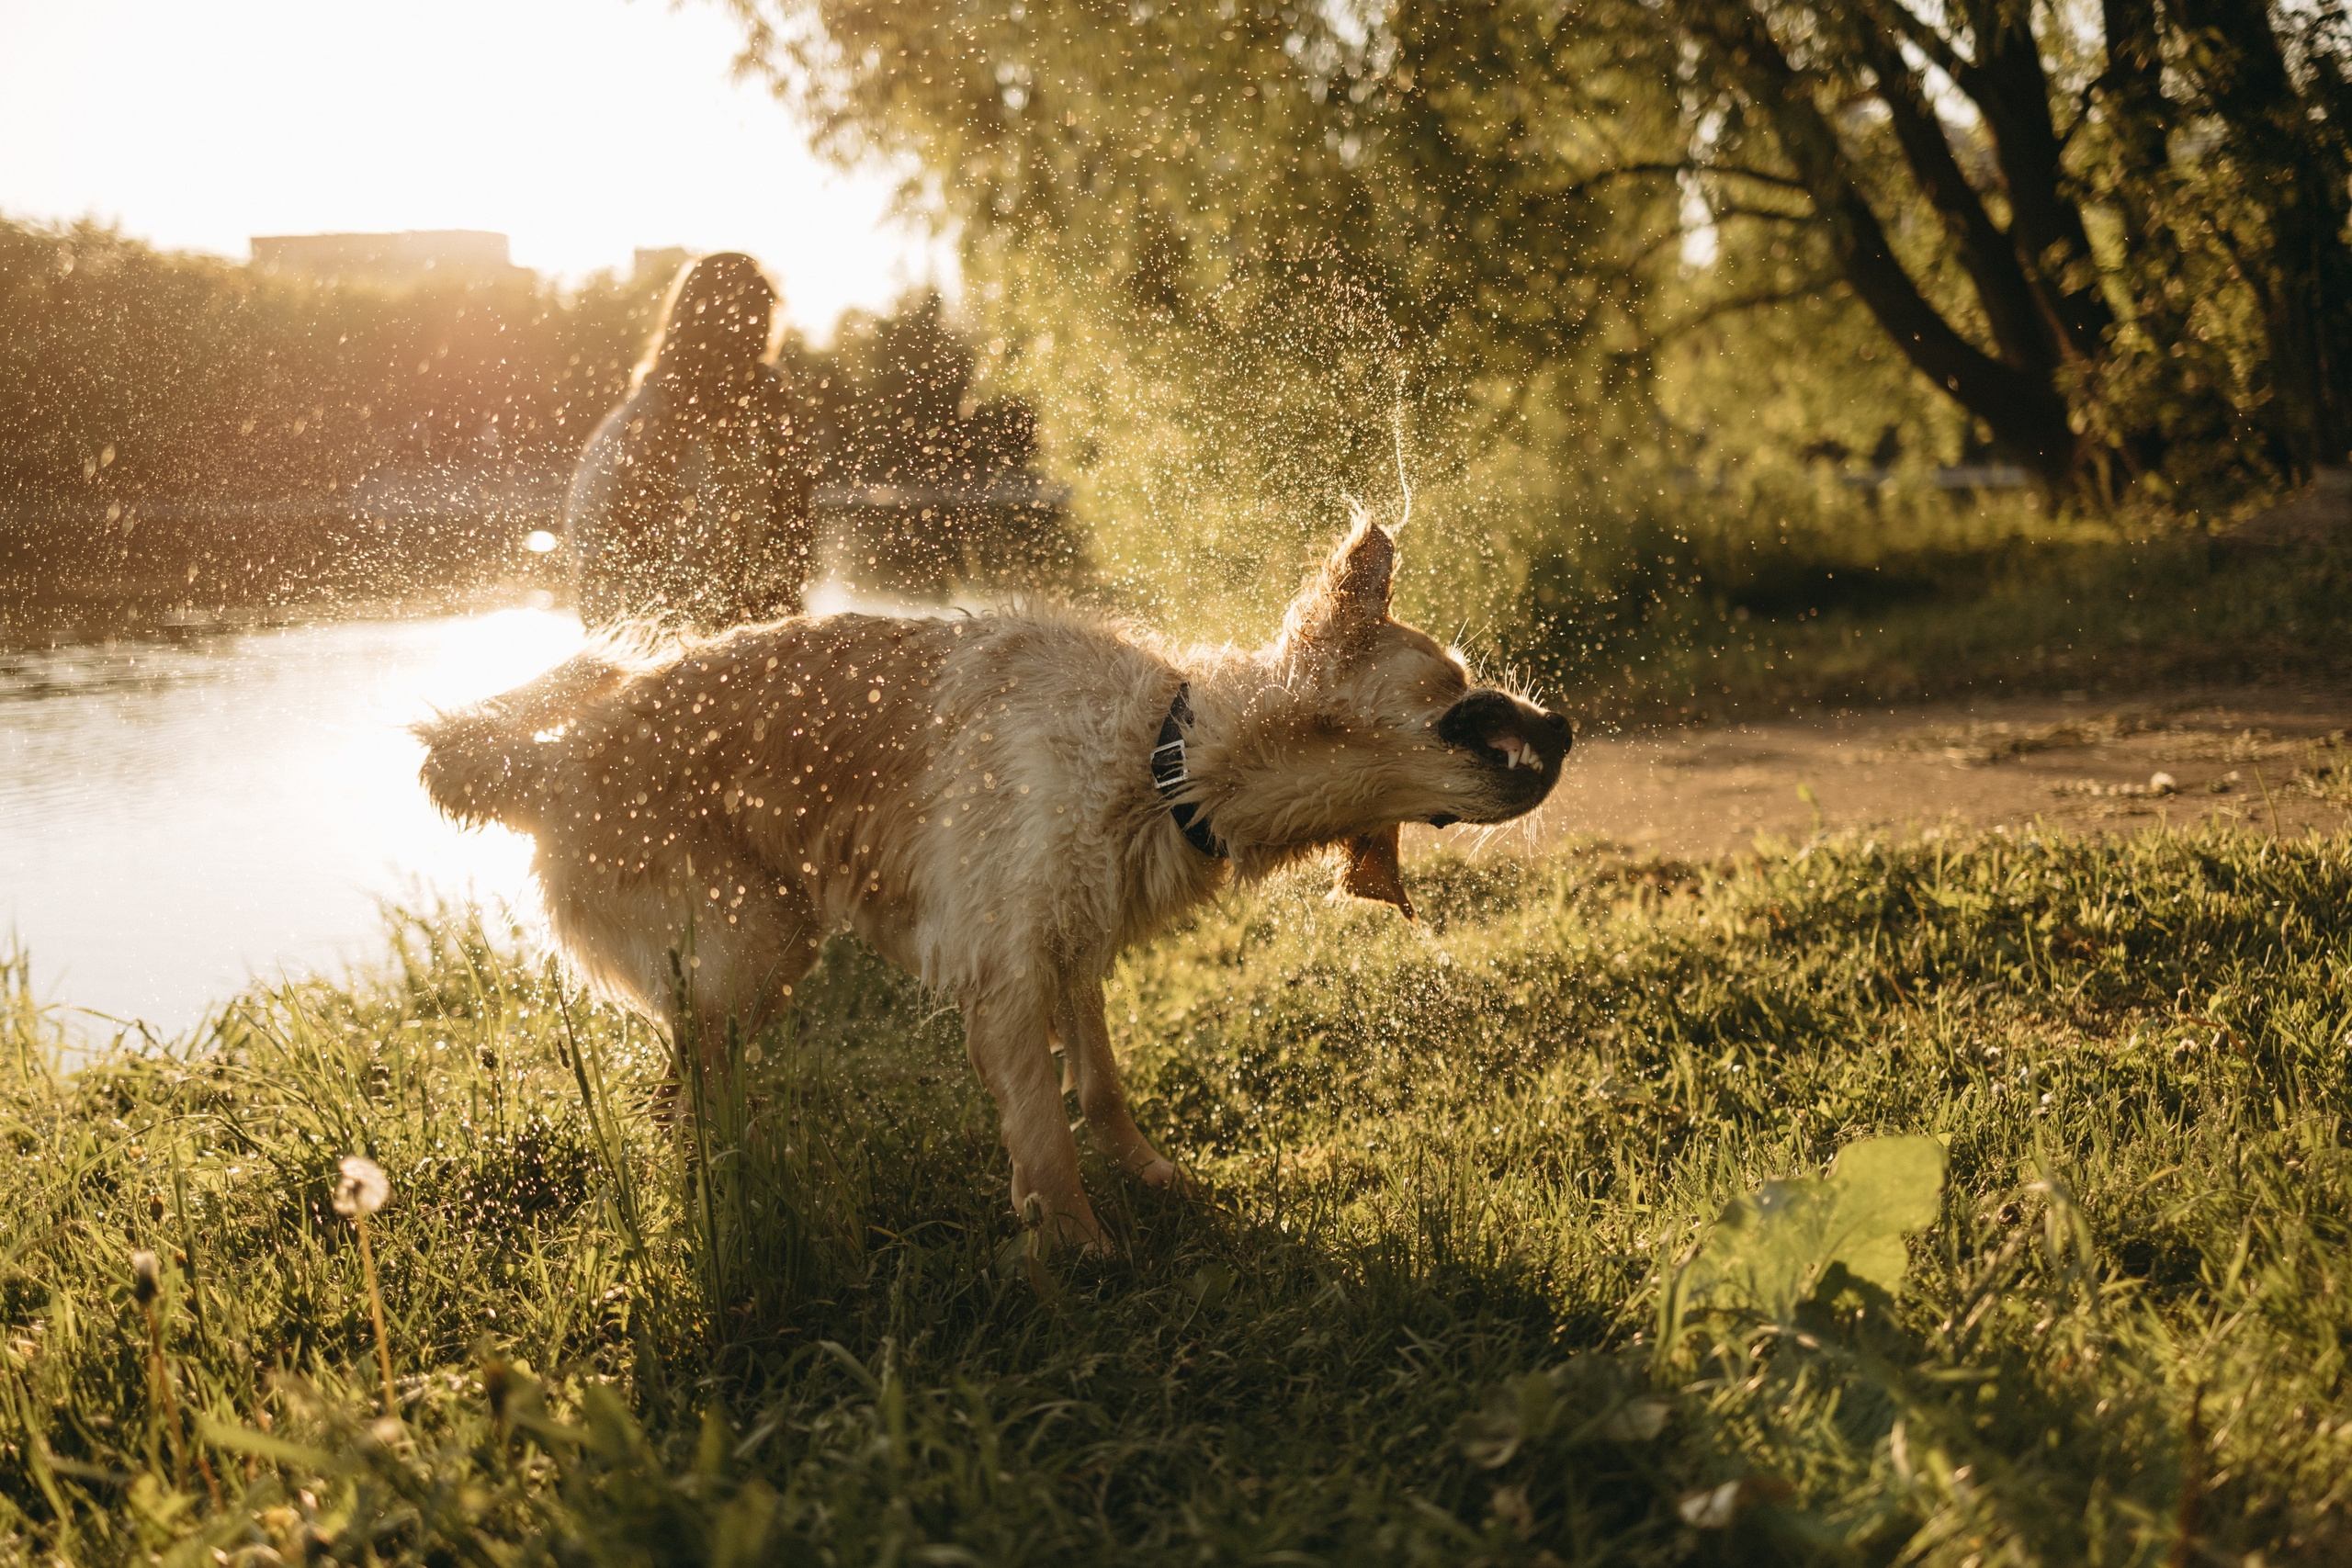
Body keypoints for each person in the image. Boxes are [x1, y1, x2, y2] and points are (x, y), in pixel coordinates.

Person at [566, 253, 815, 631]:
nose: (758, 356)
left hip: (731, 643)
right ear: (708, 333)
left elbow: (788, 557)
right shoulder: (650, 428)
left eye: (762, 336)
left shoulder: (761, 416)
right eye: (747, 337)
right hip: (653, 644)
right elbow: (608, 569)